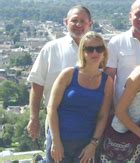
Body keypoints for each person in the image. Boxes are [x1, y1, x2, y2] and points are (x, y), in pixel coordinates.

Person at [27, 5, 93, 140]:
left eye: (83, 21)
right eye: (74, 20)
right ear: (66, 22)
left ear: (90, 24)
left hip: (89, 123)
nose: (78, 24)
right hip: (56, 120)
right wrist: (34, 118)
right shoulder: (51, 49)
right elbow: (37, 85)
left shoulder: (97, 50)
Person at [46, 31, 113, 162]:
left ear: (104, 52)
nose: (95, 53)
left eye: (99, 49)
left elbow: (103, 116)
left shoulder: (107, 82)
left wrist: (93, 144)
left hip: (85, 145)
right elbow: (52, 108)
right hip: (60, 140)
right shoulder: (69, 74)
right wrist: (56, 141)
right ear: (82, 52)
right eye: (89, 49)